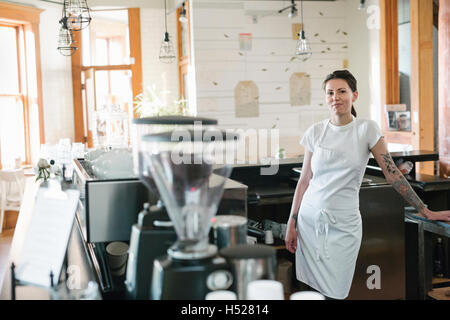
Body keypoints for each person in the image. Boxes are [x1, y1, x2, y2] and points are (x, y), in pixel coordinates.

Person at [284, 69, 450, 300]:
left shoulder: (366, 129)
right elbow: (304, 181)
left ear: (355, 95)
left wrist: (426, 211)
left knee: (338, 291)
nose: (336, 97)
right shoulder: (316, 132)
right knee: (311, 290)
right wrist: (292, 223)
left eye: (342, 91)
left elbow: (393, 174)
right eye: (330, 93)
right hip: (310, 221)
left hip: (344, 223)